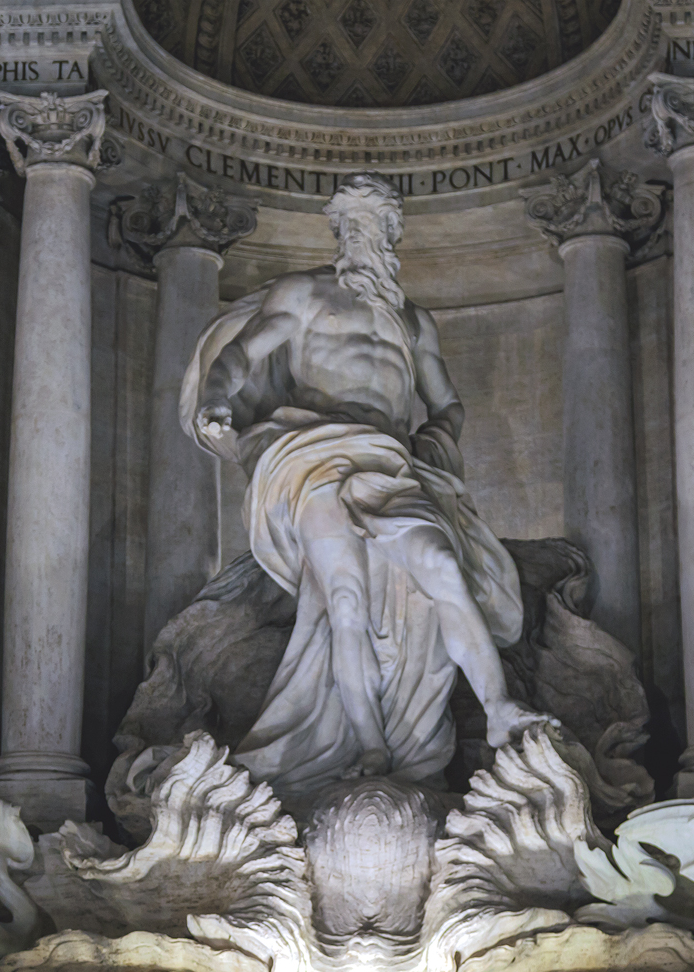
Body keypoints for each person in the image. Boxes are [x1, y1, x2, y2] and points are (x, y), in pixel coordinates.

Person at [185, 173, 550, 799]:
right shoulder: (302, 294)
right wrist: (216, 398)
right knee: (344, 603)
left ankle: (499, 709)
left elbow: (448, 405)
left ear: (393, 237)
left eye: (375, 226)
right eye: (351, 226)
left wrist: (434, 445)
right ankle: (372, 745)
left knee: (440, 563)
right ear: (337, 234)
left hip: (390, 463)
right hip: (311, 456)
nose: (363, 238)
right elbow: (240, 358)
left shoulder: (414, 323)